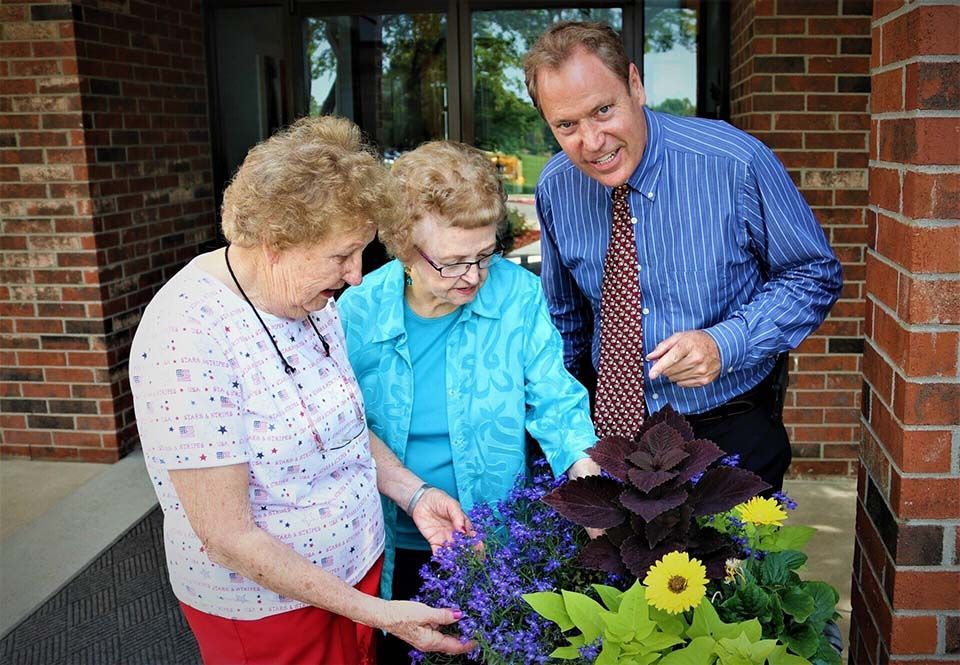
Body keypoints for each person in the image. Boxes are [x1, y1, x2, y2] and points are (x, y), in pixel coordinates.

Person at [129, 117, 474, 665]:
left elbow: (344, 431)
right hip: (266, 612)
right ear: (273, 243)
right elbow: (227, 537)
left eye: (362, 252)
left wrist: (414, 493)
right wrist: (379, 614)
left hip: (351, 582)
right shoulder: (187, 334)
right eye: (343, 256)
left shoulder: (312, 299)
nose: (357, 275)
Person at [523, 22, 843, 492]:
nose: (592, 142)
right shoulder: (555, 187)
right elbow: (566, 322)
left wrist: (725, 343)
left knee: (733, 570)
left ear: (635, 85)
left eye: (604, 110)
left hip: (728, 433)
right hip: (608, 443)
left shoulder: (735, 162)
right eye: (566, 125)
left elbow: (813, 273)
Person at [337, 140, 601, 663]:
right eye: (453, 262)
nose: (474, 277)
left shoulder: (517, 296)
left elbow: (555, 402)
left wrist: (590, 484)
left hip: (493, 539)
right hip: (390, 541)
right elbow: (341, 429)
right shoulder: (356, 311)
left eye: (485, 255)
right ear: (404, 249)